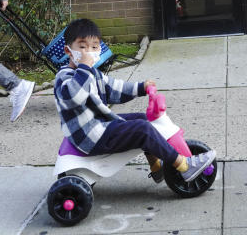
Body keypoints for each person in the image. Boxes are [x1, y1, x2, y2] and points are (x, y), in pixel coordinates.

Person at [54, 18, 216, 183]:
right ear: (69, 51)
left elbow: (115, 88)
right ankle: (185, 167)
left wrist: (140, 88)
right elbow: (74, 96)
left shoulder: (93, 74)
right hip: (90, 135)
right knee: (142, 129)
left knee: (143, 119)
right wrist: (84, 68)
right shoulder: (65, 77)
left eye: (94, 47)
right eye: (82, 47)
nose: (89, 52)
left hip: (98, 126)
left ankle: (156, 165)